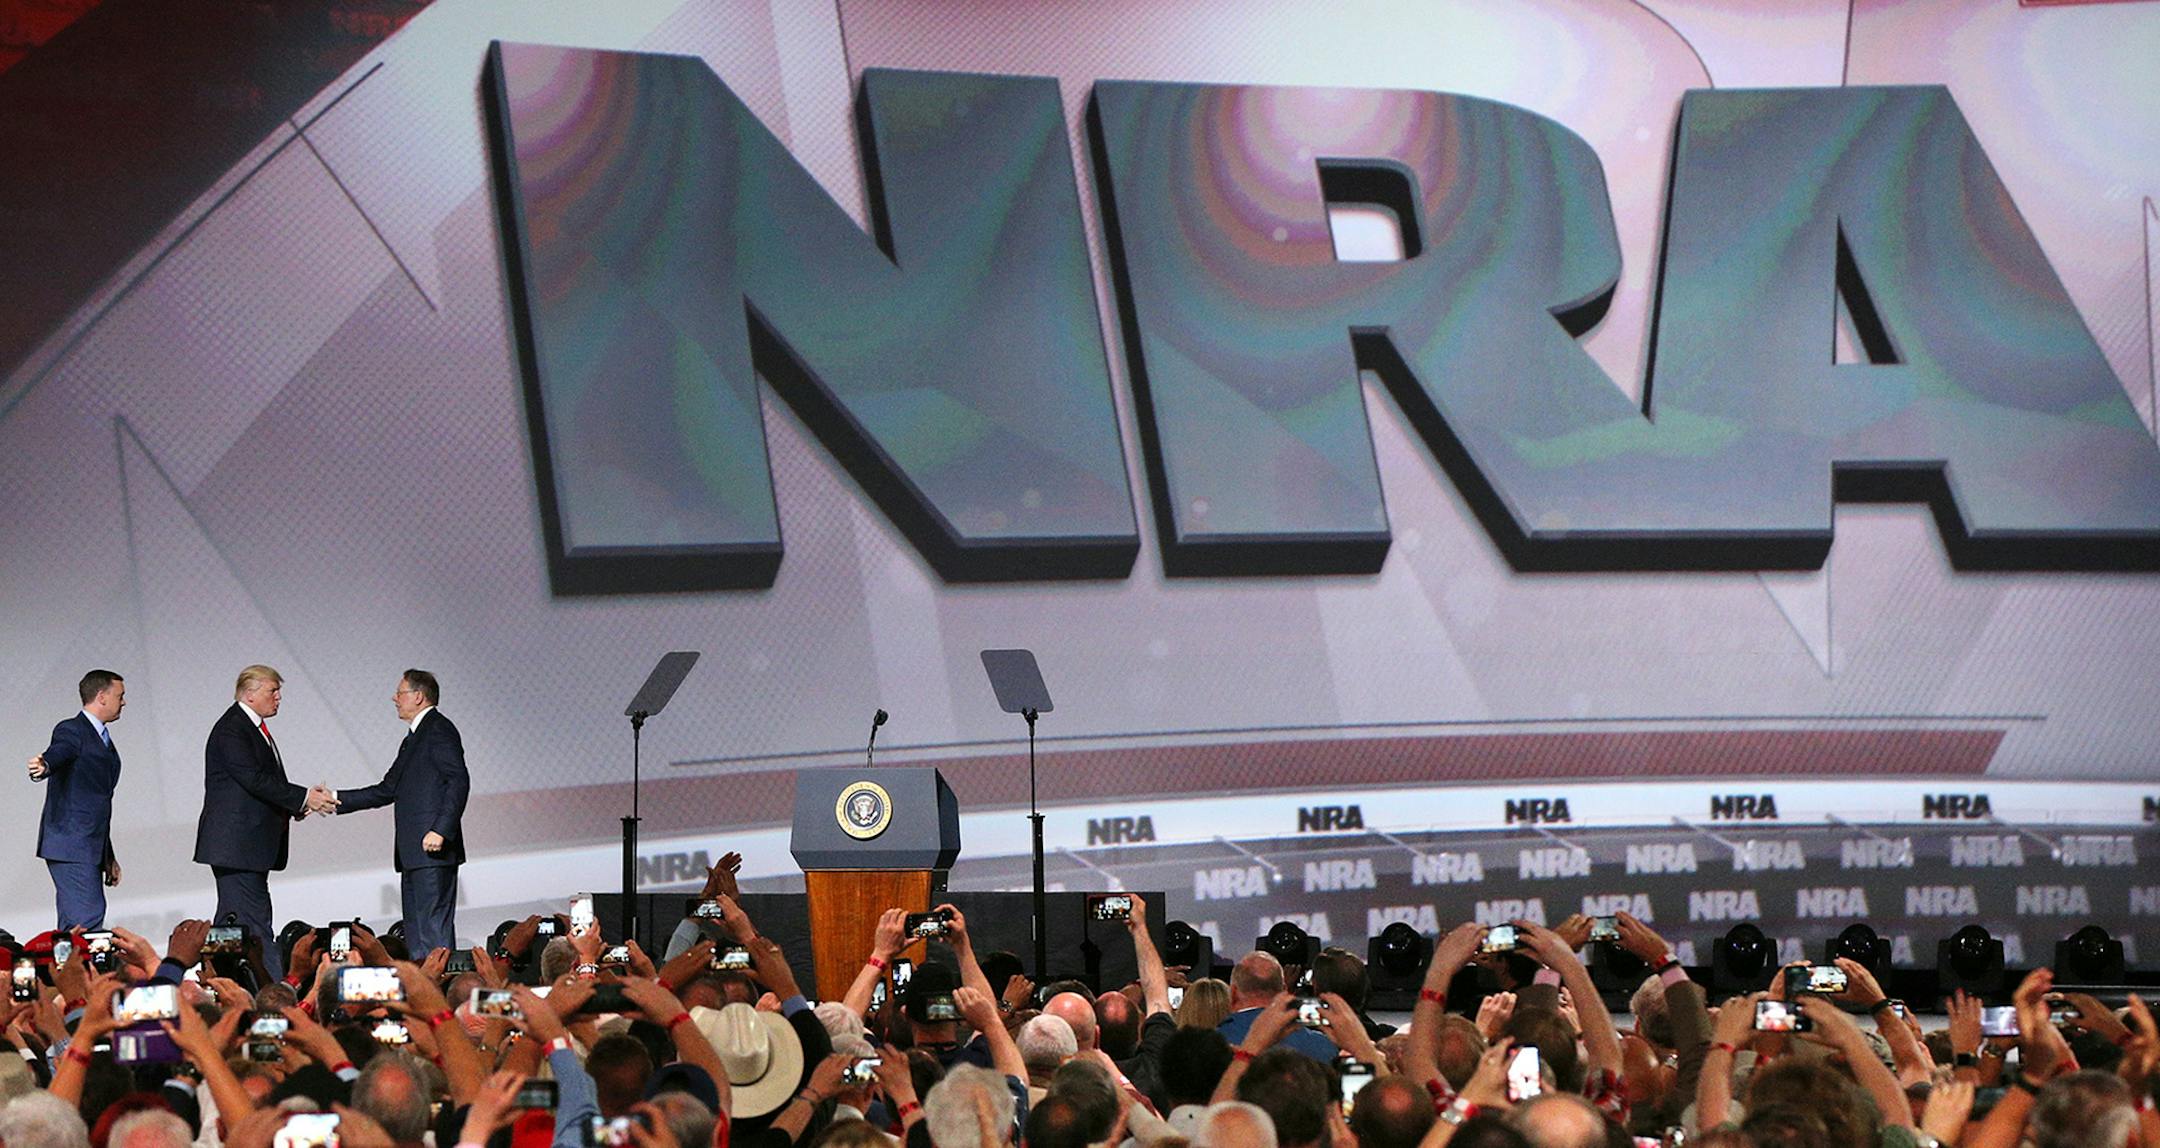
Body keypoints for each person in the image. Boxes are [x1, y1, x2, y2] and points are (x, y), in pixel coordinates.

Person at [192, 664, 333, 980]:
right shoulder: (233, 729)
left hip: (244, 847)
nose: (279, 697)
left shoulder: (251, 728)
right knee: (252, 924)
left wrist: (294, 805)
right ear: (250, 693)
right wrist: (302, 797)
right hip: (236, 846)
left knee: (234, 924)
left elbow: (262, 781)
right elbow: (253, 779)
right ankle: (274, 995)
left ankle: (223, 984)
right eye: (273, 690)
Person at [325, 669, 471, 956]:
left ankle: (441, 994)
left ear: (418, 696)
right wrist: (333, 798)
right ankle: (422, 993)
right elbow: (387, 789)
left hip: (433, 851)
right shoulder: (414, 737)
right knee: (416, 934)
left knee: (433, 934)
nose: (395, 698)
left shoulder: (439, 729)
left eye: (400, 692)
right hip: (413, 854)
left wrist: (441, 829)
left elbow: (458, 780)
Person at [27, 670, 127, 929]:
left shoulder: (103, 739)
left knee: (76, 925)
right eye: (120, 696)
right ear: (102, 697)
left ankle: (67, 970)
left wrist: (108, 855)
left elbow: (97, 803)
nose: (123, 702)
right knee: (87, 923)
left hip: (87, 846)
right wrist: (45, 764)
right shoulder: (72, 729)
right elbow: (60, 751)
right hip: (71, 843)